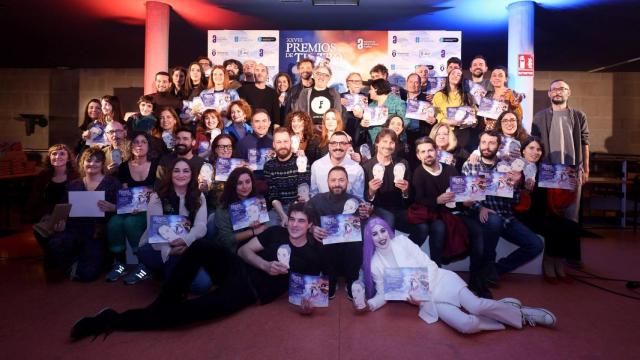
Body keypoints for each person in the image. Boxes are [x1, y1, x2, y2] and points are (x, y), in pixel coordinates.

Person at [70, 203, 323, 340]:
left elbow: (306, 292)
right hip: (238, 269)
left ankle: (113, 319)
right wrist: (265, 265)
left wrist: (306, 305)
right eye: (293, 219)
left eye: (302, 221)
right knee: (201, 245)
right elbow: (244, 252)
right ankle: (167, 298)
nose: (295, 225)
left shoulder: (310, 256)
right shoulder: (276, 232)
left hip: (248, 291)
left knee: (189, 314)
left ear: (310, 225)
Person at [360, 217, 556, 334]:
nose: (381, 237)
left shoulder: (402, 242)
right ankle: (506, 312)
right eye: (374, 234)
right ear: (370, 239)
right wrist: (369, 304)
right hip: (430, 302)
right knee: (466, 325)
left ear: (388, 230)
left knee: (476, 305)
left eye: (382, 231)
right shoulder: (375, 263)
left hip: (441, 281)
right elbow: (384, 292)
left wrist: (421, 289)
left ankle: (522, 315)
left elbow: (427, 263)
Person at [462, 131, 543, 288]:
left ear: (498, 146)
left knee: (536, 245)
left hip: (505, 216)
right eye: (484, 142)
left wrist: (516, 185)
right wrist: (480, 208)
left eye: (492, 143)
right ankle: (488, 265)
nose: (487, 146)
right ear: (479, 144)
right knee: (493, 220)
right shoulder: (470, 164)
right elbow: (465, 195)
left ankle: (495, 270)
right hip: (479, 213)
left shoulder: (507, 167)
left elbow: (515, 201)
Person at [411, 137, 487, 297]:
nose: (427, 154)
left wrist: (466, 202)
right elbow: (418, 199)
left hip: (454, 213)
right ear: (418, 156)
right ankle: (437, 276)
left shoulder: (451, 170)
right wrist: (436, 200)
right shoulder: (418, 173)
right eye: (423, 152)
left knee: (477, 231)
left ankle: (476, 278)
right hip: (432, 214)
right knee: (439, 228)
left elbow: (460, 198)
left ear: (437, 152)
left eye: (430, 150)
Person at [136, 158, 210, 291]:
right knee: (144, 252)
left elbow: (201, 226)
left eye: (186, 171)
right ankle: (168, 271)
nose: (181, 175)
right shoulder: (157, 197)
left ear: (192, 174)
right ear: (170, 173)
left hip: (187, 246)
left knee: (203, 285)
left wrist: (185, 241)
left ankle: (169, 273)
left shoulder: (199, 196)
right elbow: (155, 234)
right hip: (159, 247)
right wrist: (170, 250)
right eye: (176, 171)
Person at [49, 147, 120, 282]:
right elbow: (62, 209)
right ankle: (75, 263)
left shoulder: (112, 183)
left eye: (97, 161)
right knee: (56, 243)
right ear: (82, 163)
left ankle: (93, 261)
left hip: (97, 232)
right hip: (74, 229)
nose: (92, 164)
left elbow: (124, 208)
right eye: (88, 160)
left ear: (102, 164)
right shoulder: (73, 185)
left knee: (87, 275)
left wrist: (113, 207)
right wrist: (60, 224)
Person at [306, 166, 372, 298]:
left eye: (341, 180)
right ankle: (330, 280)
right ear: (328, 182)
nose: (337, 184)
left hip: (349, 252)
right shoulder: (317, 200)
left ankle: (352, 280)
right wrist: (312, 228)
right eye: (333, 180)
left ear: (347, 182)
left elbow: (365, 221)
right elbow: (302, 217)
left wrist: (366, 216)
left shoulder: (356, 201)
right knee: (322, 239)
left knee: (356, 240)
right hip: (326, 251)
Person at [532, 79, 590, 227]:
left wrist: (586, 169)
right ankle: (552, 249)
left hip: (572, 169)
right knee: (551, 212)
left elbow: (585, 142)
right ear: (549, 93)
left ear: (568, 93)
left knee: (571, 214)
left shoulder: (579, 115)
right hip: (548, 169)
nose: (558, 91)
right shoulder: (539, 116)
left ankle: (569, 249)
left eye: (562, 89)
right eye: (554, 89)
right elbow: (534, 145)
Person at [105, 132, 159, 283]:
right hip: (130, 207)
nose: (139, 145)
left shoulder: (156, 164)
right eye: (136, 142)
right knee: (114, 223)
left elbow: (159, 190)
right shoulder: (123, 166)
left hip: (151, 207)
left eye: (143, 142)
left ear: (149, 145)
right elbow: (125, 192)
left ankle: (144, 265)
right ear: (131, 145)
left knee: (131, 223)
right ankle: (120, 263)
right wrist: (129, 207)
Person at [27, 144, 78, 270]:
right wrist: (44, 215)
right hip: (48, 217)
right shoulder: (43, 176)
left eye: (62, 154)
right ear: (49, 157)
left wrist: (67, 220)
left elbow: (80, 201)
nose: (57, 156)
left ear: (68, 158)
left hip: (71, 218)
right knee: (39, 232)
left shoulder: (76, 176)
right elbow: (35, 199)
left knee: (60, 241)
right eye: (54, 154)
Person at [362, 128, 410, 229]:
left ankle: (403, 245)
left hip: (399, 209)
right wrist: (371, 191)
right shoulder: (366, 167)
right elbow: (364, 199)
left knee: (422, 227)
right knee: (389, 218)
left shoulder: (403, 163)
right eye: (384, 141)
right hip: (377, 209)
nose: (388, 146)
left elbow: (410, 196)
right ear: (377, 143)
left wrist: (405, 191)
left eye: (391, 142)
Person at [263, 127, 311, 226]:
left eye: (285, 141)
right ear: (274, 144)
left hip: (299, 206)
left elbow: (303, 187)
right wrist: (283, 216)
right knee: (267, 226)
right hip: (279, 209)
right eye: (279, 142)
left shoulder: (301, 160)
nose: (283, 145)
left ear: (290, 143)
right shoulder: (269, 165)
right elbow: (273, 194)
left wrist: (293, 216)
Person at [213, 167, 267, 253]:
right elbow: (227, 240)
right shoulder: (223, 209)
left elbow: (264, 228)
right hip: (234, 251)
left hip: (257, 244)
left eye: (248, 182)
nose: (244, 186)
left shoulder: (257, 201)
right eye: (239, 183)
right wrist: (253, 231)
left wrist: (258, 226)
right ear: (233, 185)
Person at [310, 131, 365, 200]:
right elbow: (313, 194)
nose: (338, 147)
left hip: (348, 210)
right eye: (334, 143)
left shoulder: (356, 169)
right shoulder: (317, 166)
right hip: (321, 209)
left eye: (342, 143)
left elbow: (358, 198)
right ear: (329, 146)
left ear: (348, 146)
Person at [432, 68, 476, 152]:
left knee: (460, 157)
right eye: (453, 73)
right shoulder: (439, 95)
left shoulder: (467, 96)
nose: (455, 76)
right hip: (445, 131)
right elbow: (436, 113)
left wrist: (473, 120)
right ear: (448, 76)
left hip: (462, 132)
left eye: (458, 75)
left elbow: (473, 112)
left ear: (461, 79)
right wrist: (447, 121)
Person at [356, 78, 407, 147]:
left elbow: (405, 122)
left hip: (392, 143)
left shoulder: (398, 103)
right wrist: (363, 123)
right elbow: (365, 127)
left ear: (376, 89)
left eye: (371, 89)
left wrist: (392, 126)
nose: (369, 92)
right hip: (374, 143)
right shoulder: (370, 106)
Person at [234, 109, 273, 186]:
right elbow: (237, 171)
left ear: (269, 123)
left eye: (264, 121)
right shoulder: (242, 143)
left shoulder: (276, 141)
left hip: (273, 185)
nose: (261, 125)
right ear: (251, 124)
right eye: (257, 121)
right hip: (251, 187)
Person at [483, 67, 523, 131]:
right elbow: (484, 119)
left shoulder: (512, 94)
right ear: (490, 79)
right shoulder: (487, 96)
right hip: (490, 133)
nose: (497, 78)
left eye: (500, 76)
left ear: (506, 79)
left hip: (506, 133)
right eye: (494, 75)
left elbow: (519, 117)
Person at [340, 72, 367, 147]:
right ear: (348, 83)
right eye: (354, 81)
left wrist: (362, 116)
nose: (357, 84)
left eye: (359, 81)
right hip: (345, 133)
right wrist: (338, 102)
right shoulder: (339, 97)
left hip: (362, 136)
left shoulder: (367, 97)